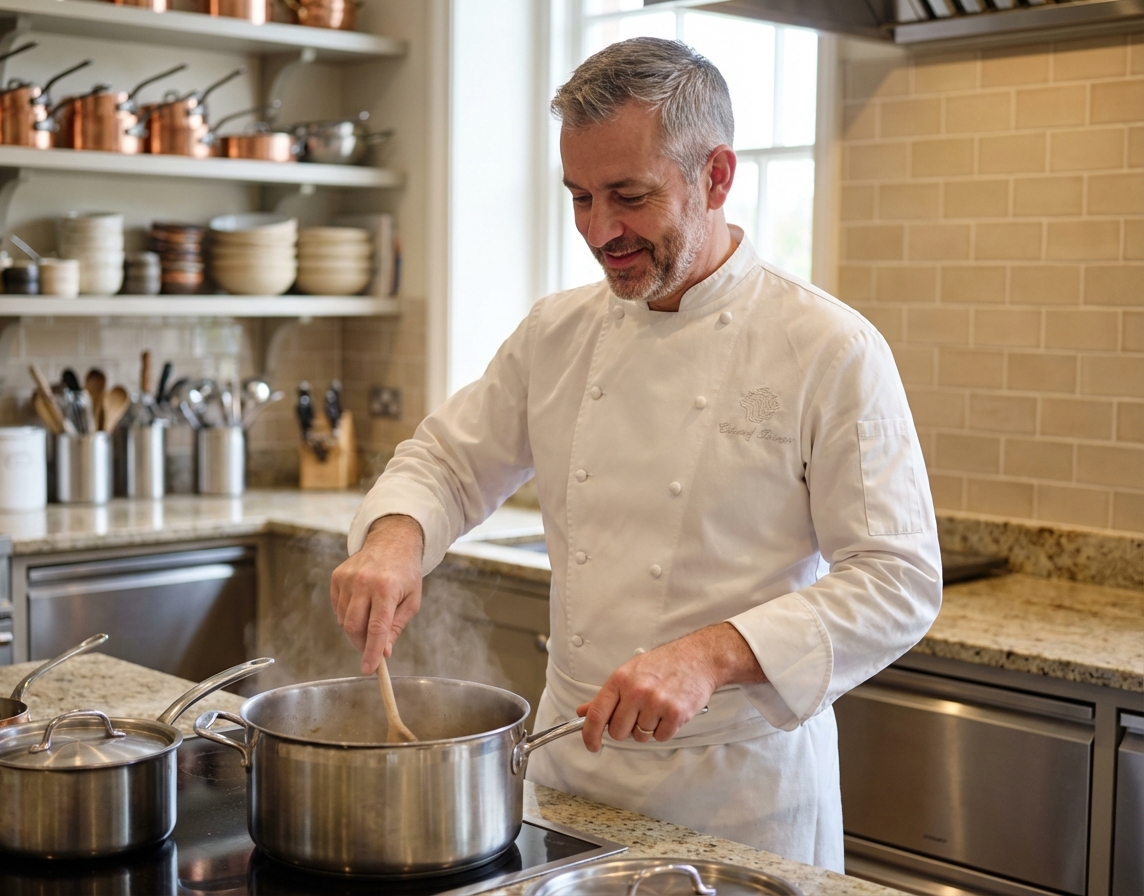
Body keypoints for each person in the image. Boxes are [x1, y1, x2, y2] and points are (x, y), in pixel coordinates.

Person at [330, 37, 941, 871]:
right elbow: (449, 460)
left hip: (737, 797)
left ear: (717, 176)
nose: (599, 230)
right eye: (579, 197)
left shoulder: (828, 347)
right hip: (567, 774)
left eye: (629, 196)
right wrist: (395, 539)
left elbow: (897, 578)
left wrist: (710, 654)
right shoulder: (558, 332)